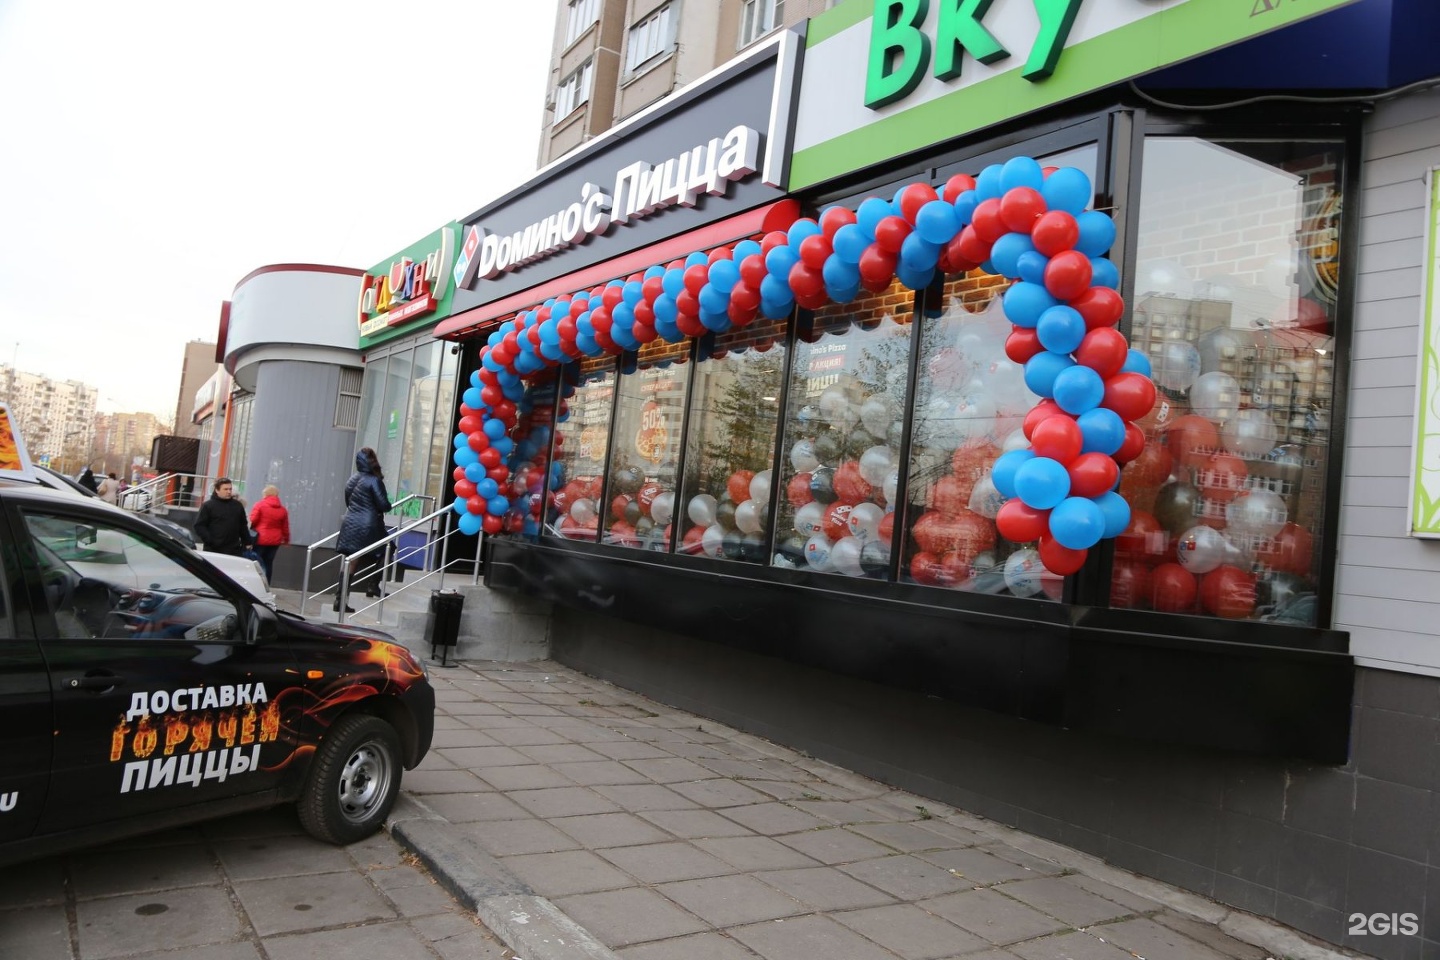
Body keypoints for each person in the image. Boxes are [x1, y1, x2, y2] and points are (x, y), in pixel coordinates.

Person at [335, 447, 391, 611]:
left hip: (351, 522)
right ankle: (373, 585)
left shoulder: (352, 479)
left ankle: (340, 600)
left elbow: (348, 501)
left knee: (351, 560)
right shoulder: (374, 480)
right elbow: (384, 505)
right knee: (389, 548)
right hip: (369, 523)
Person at [193, 477, 254, 557]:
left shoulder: (237, 505)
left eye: (230, 489)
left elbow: (243, 525)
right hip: (213, 550)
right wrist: (210, 541)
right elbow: (199, 526)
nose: (229, 492)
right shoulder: (208, 505)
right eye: (225, 489)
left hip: (234, 550)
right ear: (217, 490)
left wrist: (247, 542)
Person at [248, 484, 291, 583]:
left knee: (256, 562)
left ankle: (255, 584)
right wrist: (286, 540)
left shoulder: (259, 505)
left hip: (260, 539)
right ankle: (267, 585)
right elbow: (285, 527)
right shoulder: (283, 510)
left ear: (265, 494)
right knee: (268, 563)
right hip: (275, 541)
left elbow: (253, 520)